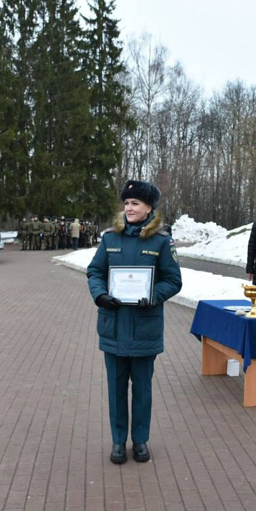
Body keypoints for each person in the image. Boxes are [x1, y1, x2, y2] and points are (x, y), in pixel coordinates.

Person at [87, 180, 182, 465]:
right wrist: (100, 295)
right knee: (116, 390)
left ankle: (140, 440)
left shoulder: (161, 241)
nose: (129, 208)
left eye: (135, 203)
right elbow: (95, 271)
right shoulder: (109, 239)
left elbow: (173, 280)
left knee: (142, 390)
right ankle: (118, 441)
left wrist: (153, 296)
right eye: (126, 203)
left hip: (144, 329)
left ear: (149, 207)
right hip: (113, 326)